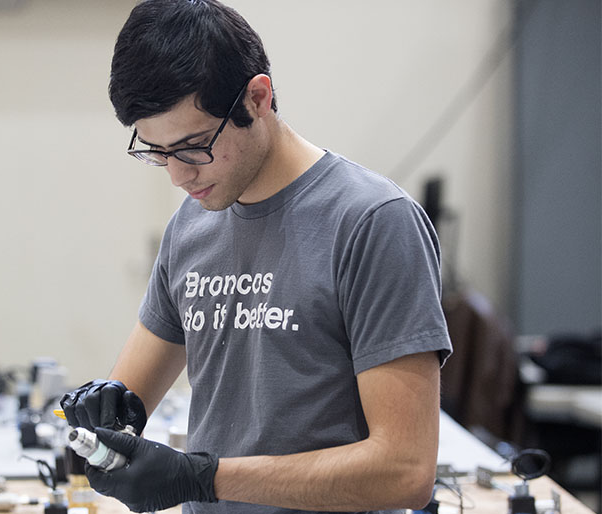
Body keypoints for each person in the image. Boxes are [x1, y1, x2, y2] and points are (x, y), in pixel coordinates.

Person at [61, 1, 453, 513]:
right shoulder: (192, 222)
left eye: (193, 146)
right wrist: (106, 409)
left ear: (258, 97)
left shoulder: (373, 223)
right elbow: (131, 392)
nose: (179, 176)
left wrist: (203, 478)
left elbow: (404, 470)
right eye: (157, 152)